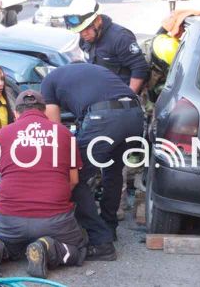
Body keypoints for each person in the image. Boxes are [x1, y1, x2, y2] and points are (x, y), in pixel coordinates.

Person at [0, 90, 86, 278]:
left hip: (8, 220)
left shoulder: (1, 135)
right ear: (44, 111)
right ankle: (48, 248)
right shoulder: (64, 134)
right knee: (78, 248)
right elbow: (74, 180)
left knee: (11, 245)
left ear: (16, 113)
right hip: (53, 219)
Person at [41, 63, 144, 259]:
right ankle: (109, 227)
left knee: (74, 176)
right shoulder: (87, 72)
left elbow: (55, 129)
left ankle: (100, 241)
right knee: (113, 172)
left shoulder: (48, 83)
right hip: (135, 114)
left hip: (105, 117)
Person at [63, 0, 150, 94]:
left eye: (87, 28)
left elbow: (140, 68)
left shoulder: (121, 37)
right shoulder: (85, 39)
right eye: (80, 31)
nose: (84, 34)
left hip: (120, 95)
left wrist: (130, 96)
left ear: (98, 20)